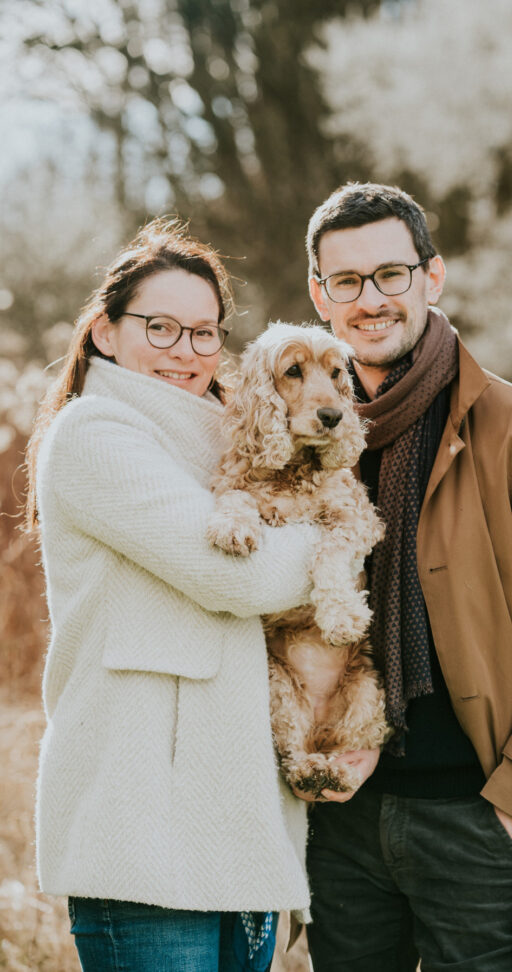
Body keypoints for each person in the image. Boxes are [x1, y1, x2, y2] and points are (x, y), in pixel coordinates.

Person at [301, 183, 512, 971]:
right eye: (346, 281)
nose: (371, 299)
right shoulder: (310, 442)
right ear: (320, 297)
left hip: (475, 822)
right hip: (339, 826)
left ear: (433, 276)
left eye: (391, 274)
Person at [25, 219, 320, 972]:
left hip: (235, 840)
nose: (184, 352)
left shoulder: (225, 445)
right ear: (104, 332)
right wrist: (340, 544)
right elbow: (237, 574)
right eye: (160, 327)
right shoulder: (96, 435)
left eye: (204, 334)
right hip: (145, 850)